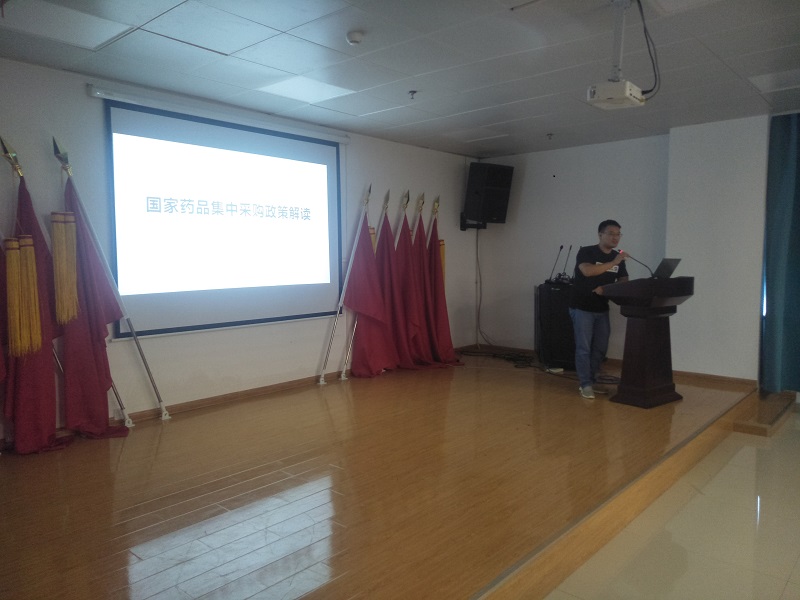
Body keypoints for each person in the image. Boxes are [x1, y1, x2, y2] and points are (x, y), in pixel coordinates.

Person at [569, 220, 628, 399]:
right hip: (582, 307)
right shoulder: (587, 251)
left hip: (602, 308)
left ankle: (592, 381)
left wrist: (608, 289)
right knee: (584, 348)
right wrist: (614, 262)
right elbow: (588, 271)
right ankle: (585, 384)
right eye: (611, 234)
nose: (615, 238)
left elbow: (623, 281)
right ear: (600, 234)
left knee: (600, 348)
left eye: (618, 234)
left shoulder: (618, 256)